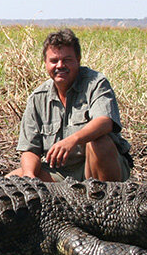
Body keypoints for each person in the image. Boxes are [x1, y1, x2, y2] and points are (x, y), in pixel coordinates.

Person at [8, 29, 132, 182]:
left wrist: (73, 140)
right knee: (11, 180)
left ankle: (108, 201)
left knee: (100, 143)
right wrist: (29, 177)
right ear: (45, 63)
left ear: (78, 60)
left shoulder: (96, 83)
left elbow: (105, 122)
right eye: (54, 61)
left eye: (67, 60)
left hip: (96, 167)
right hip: (59, 172)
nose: (60, 65)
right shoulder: (37, 98)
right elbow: (29, 150)